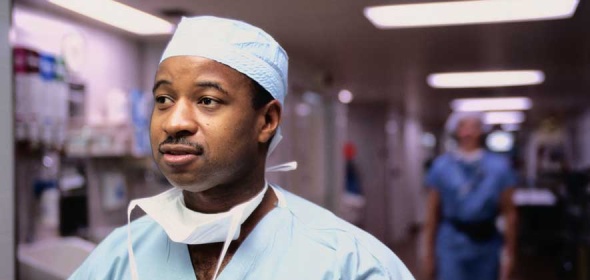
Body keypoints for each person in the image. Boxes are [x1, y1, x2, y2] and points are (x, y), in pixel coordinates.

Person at [70, 16, 413, 280]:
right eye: (163, 99)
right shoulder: (118, 257)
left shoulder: (348, 263)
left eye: (207, 100)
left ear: (266, 121)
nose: (174, 122)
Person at [422, 112, 518, 280]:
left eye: (473, 127)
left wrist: (509, 253)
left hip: (486, 243)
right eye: (463, 126)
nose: (468, 132)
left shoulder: (499, 167)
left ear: (481, 131)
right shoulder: (441, 167)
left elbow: (510, 212)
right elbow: (432, 214)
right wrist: (428, 253)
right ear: (456, 131)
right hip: (451, 242)